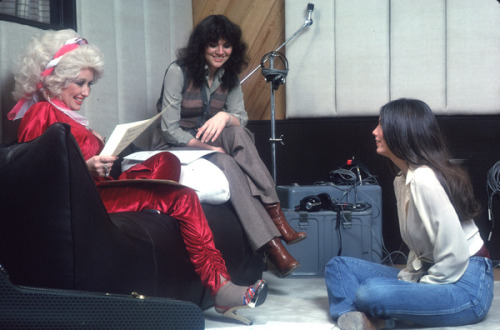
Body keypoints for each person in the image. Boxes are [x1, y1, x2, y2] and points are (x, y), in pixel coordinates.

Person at [8, 28, 267, 324]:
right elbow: (38, 173)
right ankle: (220, 287)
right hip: (88, 199)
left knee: (165, 159)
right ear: (55, 80)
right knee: (182, 197)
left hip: (101, 188)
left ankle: (156, 206)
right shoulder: (41, 113)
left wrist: (98, 153)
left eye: (89, 84)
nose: (86, 92)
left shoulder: (68, 114)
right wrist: (87, 165)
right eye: (80, 83)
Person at [154, 15, 306, 277]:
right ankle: (272, 246)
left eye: (226, 46)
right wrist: (208, 149)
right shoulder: (177, 72)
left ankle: (276, 215)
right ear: (202, 46)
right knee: (226, 162)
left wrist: (224, 116)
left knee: (236, 130)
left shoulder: (229, 77)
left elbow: (241, 117)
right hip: (177, 144)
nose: (220, 52)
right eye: (214, 45)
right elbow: (169, 129)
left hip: (209, 138)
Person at [325, 98, 494, 329]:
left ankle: (377, 320)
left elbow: (455, 256)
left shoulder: (425, 179)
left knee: (371, 293)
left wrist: (417, 289)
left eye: (381, 125)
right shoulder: (402, 179)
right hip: (432, 271)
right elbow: (421, 251)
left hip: (467, 285)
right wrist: (408, 281)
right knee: (338, 266)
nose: (374, 132)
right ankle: (355, 319)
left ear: (401, 131)